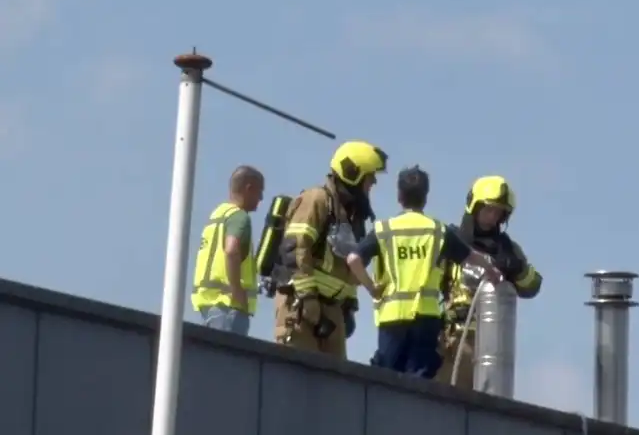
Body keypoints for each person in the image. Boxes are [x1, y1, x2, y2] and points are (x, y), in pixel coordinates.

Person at [346, 166, 500, 378]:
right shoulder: (438, 230)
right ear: (425, 198)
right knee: (419, 382)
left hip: (392, 319)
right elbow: (471, 256)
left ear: (399, 196)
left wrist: (372, 288)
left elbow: (353, 259)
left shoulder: (384, 229)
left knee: (384, 379)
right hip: (426, 319)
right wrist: (490, 271)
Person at [273, 140, 386, 358]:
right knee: (295, 376)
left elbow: (348, 266)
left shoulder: (353, 216)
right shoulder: (317, 200)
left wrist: (350, 305)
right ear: (353, 174)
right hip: (301, 306)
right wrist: (308, 298)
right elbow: (296, 248)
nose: (373, 183)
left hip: (332, 311)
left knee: (335, 384)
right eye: (370, 177)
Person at [437, 176, 543, 389]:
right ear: (474, 206)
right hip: (455, 340)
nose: (492, 217)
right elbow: (430, 281)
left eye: (499, 212)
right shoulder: (451, 241)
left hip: (493, 343)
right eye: (488, 209)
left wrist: (518, 269)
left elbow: (532, 286)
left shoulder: (509, 249)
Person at [191, 165, 265, 335]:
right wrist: (237, 291)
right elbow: (231, 251)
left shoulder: (218, 215)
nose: (261, 198)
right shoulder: (240, 217)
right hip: (229, 308)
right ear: (249, 188)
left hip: (209, 306)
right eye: (259, 191)